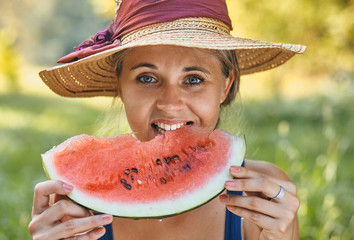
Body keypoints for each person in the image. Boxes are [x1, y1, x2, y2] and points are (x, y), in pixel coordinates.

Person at [29, 0, 306, 239]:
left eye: (194, 79)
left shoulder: (263, 200)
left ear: (225, 86)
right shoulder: (76, 208)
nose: (170, 104)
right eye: (147, 78)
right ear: (120, 87)